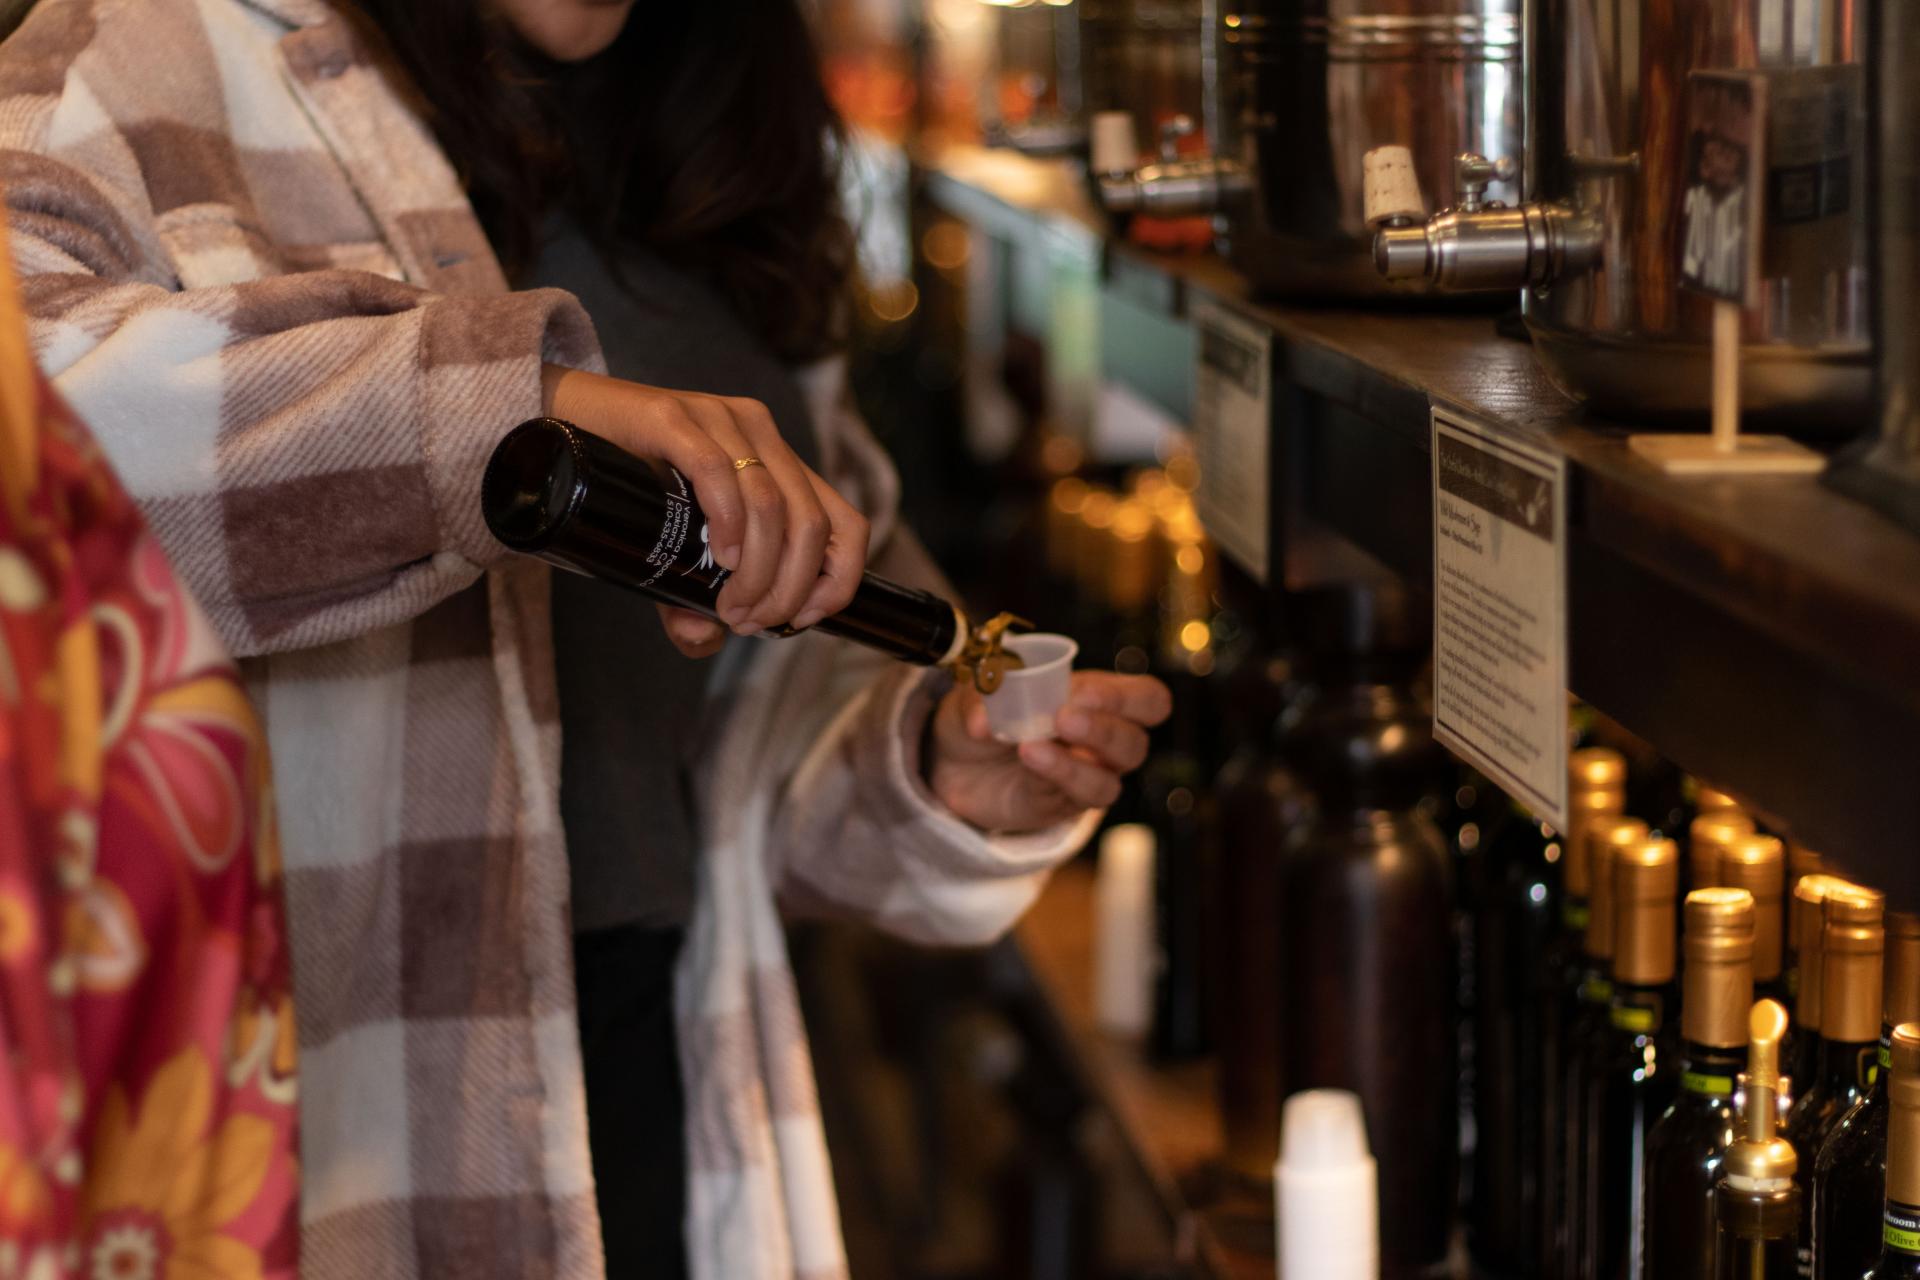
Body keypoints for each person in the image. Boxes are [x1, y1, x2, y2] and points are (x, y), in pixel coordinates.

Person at [0, 1, 1171, 1277]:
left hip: (658, 1060)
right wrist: (514, 410)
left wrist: (932, 773)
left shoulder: (722, 118)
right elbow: (33, 444)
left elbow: (738, 761)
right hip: (335, 1122)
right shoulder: (141, 56)